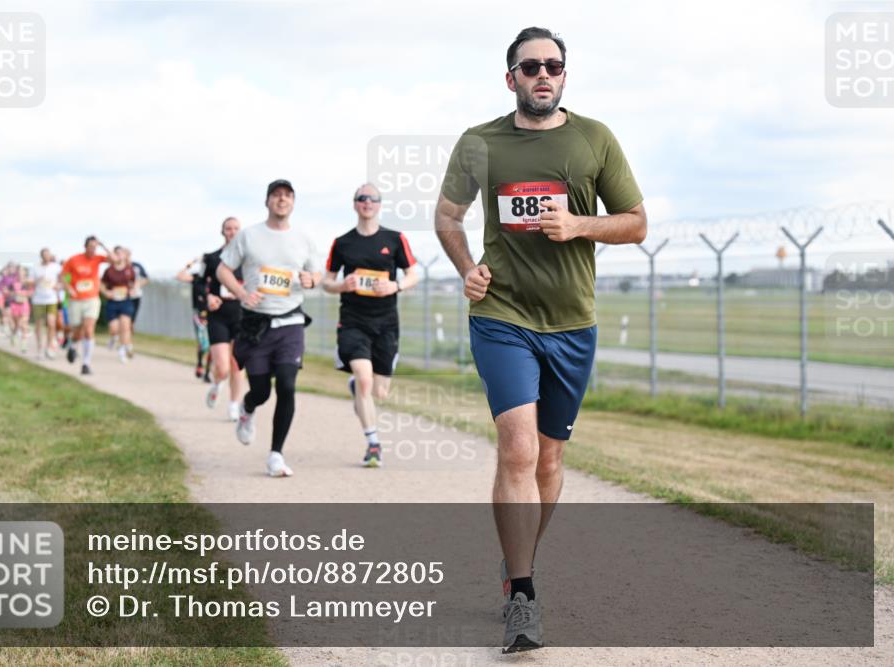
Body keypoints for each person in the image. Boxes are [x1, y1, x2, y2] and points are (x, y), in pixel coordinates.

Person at [434, 27, 647, 653]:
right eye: (530, 67)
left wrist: (579, 224)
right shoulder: (480, 143)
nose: (542, 75)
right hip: (502, 316)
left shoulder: (595, 139)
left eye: (553, 66)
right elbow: (447, 215)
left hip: (572, 323)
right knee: (519, 451)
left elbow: (637, 224)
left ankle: (516, 558)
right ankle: (523, 597)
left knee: (550, 462)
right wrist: (466, 267)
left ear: (564, 75)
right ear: (511, 79)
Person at [217, 179, 321, 477]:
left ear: (293, 203)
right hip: (256, 323)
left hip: (290, 321)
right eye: (276, 195)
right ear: (267, 202)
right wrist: (241, 293)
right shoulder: (249, 236)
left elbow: (317, 273)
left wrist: (312, 280)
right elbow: (223, 269)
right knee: (261, 391)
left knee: (287, 385)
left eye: (288, 195)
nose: (282, 200)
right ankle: (247, 411)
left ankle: (276, 454)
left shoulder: (303, 238)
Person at [322, 184, 419, 467]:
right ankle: (373, 443)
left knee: (380, 392)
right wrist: (341, 285)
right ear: (355, 205)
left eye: (372, 199)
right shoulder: (342, 243)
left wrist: (395, 286)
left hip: (386, 323)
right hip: (353, 320)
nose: (367, 202)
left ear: (379, 205)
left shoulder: (395, 238)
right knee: (365, 380)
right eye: (362, 198)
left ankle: (358, 387)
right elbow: (326, 282)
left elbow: (413, 274)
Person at [200, 217, 247, 421]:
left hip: (242, 317)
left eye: (236, 228)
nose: (232, 231)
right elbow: (199, 284)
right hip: (218, 316)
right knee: (222, 366)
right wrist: (208, 297)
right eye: (228, 228)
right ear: (222, 231)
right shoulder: (211, 258)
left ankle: (234, 404)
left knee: (238, 364)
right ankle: (217, 383)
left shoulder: (249, 259)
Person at [61, 236, 115, 375]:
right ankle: (73, 346)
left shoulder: (98, 259)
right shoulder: (74, 260)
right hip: (76, 299)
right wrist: (68, 288)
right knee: (78, 331)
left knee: (89, 329)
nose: (93, 250)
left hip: (91, 299)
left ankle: (86, 364)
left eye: (95, 247)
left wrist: (103, 245)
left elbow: (115, 260)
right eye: (90, 247)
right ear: (85, 247)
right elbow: (62, 276)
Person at [176, 256, 213, 381]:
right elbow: (179, 276)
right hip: (200, 315)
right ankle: (199, 364)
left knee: (213, 345)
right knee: (203, 344)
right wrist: (190, 264)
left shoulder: (217, 278)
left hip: (214, 315)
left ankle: (208, 372)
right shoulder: (197, 278)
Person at [101, 246, 136, 364]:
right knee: (114, 328)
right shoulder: (109, 271)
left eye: (122, 253)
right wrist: (106, 292)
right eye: (117, 253)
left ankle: (122, 351)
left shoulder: (129, 269)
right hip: (113, 302)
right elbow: (101, 284)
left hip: (125, 301)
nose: (119, 256)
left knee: (125, 327)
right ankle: (113, 338)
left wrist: (132, 290)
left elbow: (134, 282)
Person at [31, 248, 62, 359]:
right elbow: (29, 283)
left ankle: (49, 347)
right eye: (44, 255)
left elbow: (63, 278)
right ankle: (39, 348)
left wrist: (59, 286)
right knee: (38, 325)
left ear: (50, 256)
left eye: (48, 255)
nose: (46, 257)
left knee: (51, 323)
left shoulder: (56, 267)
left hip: (51, 299)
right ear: (41, 256)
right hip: (38, 299)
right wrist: (37, 280)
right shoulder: (35, 268)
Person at [7, 266, 33, 353]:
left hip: (24, 305)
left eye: (22, 271)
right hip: (15, 305)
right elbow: (8, 292)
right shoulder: (13, 283)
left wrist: (24, 294)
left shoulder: (29, 283)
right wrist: (13, 294)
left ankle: (24, 344)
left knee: (23, 325)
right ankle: (13, 335)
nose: (20, 273)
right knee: (16, 325)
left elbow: (31, 293)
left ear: (25, 273)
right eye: (19, 272)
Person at [126, 248, 148, 343]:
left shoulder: (137, 266)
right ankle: (126, 342)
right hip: (123, 297)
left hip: (135, 296)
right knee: (125, 321)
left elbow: (146, 279)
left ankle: (128, 342)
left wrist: (137, 285)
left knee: (131, 322)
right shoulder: (119, 267)